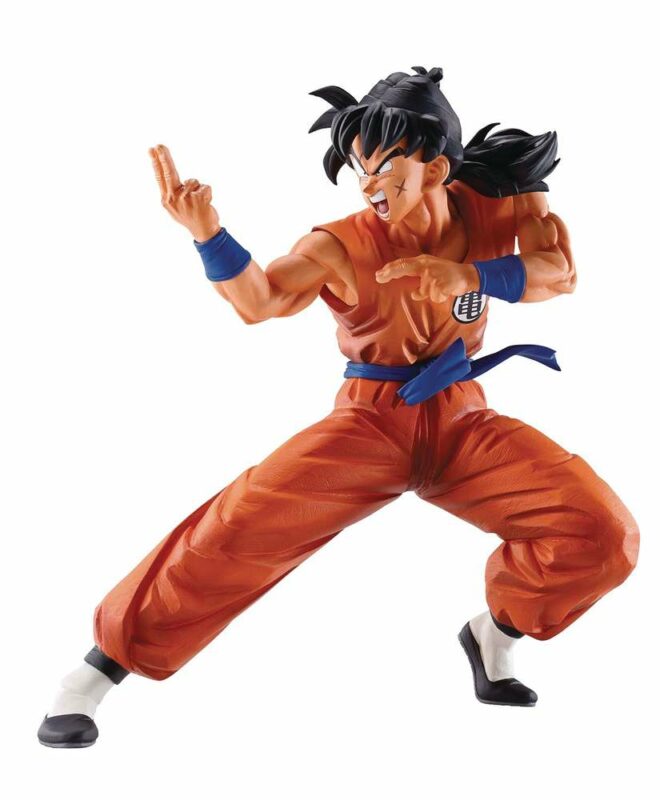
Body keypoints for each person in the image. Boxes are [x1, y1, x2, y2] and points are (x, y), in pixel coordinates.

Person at [38, 66, 639, 748]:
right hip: (372, 421)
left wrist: (470, 274)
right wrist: (208, 234)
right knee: (240, 527)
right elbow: (261, 301)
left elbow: (560, 273)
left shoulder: (497, 199)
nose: (370, 186)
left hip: (462, 417)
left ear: (437, 168)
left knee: (601, 533)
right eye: (360, 169)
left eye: (387, 169)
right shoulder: (340, 244)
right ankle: (93, 675)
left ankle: (493, 636)